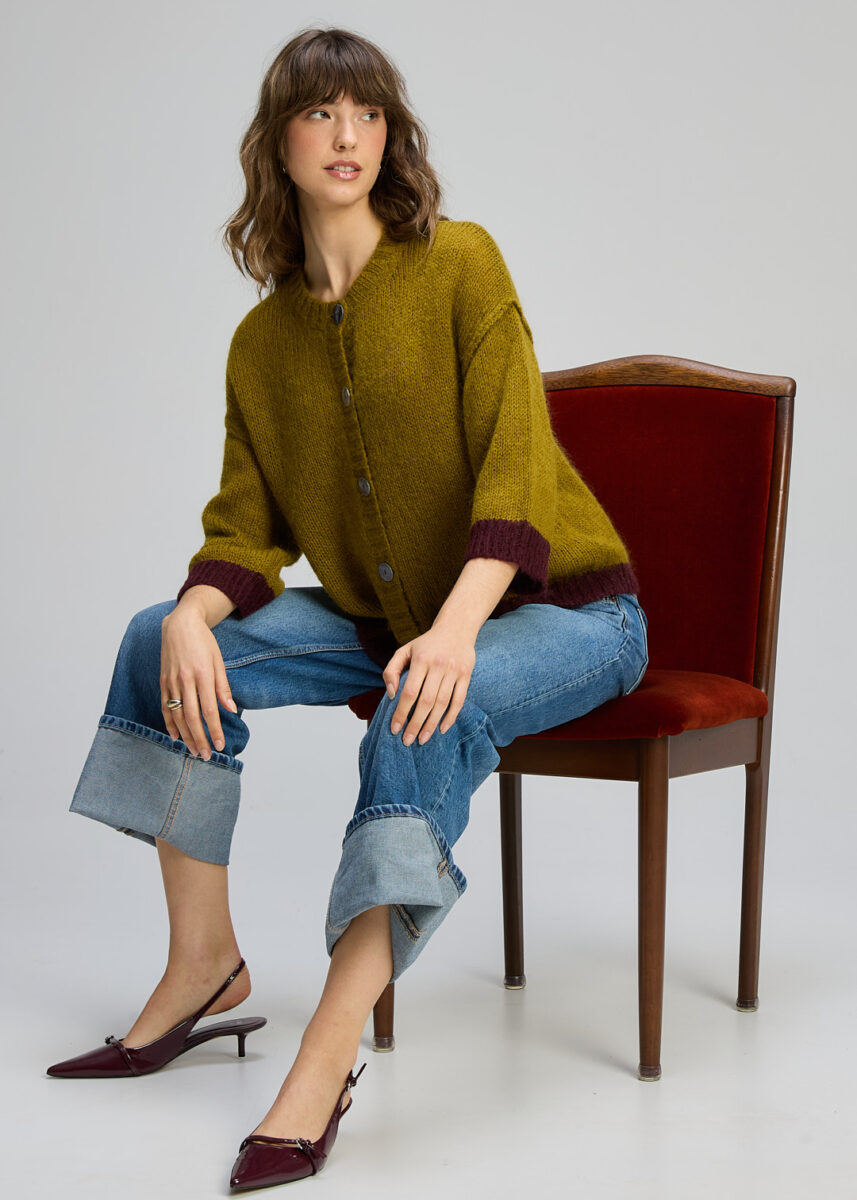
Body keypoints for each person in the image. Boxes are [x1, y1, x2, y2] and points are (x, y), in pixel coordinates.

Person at [45, 25, 649, 1193]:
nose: (346, 135)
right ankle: (205, 967)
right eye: (319, 112)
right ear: (277, 142)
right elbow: (245, 530)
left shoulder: (460, 263)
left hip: (567, 617)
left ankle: (326, 1055)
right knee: (154, 637)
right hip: (390, 621)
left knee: (420, 706)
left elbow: (515, 472)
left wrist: (457, 632)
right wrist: (193, 612)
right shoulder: (260, 342)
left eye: (367, 113)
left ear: (391, 135)